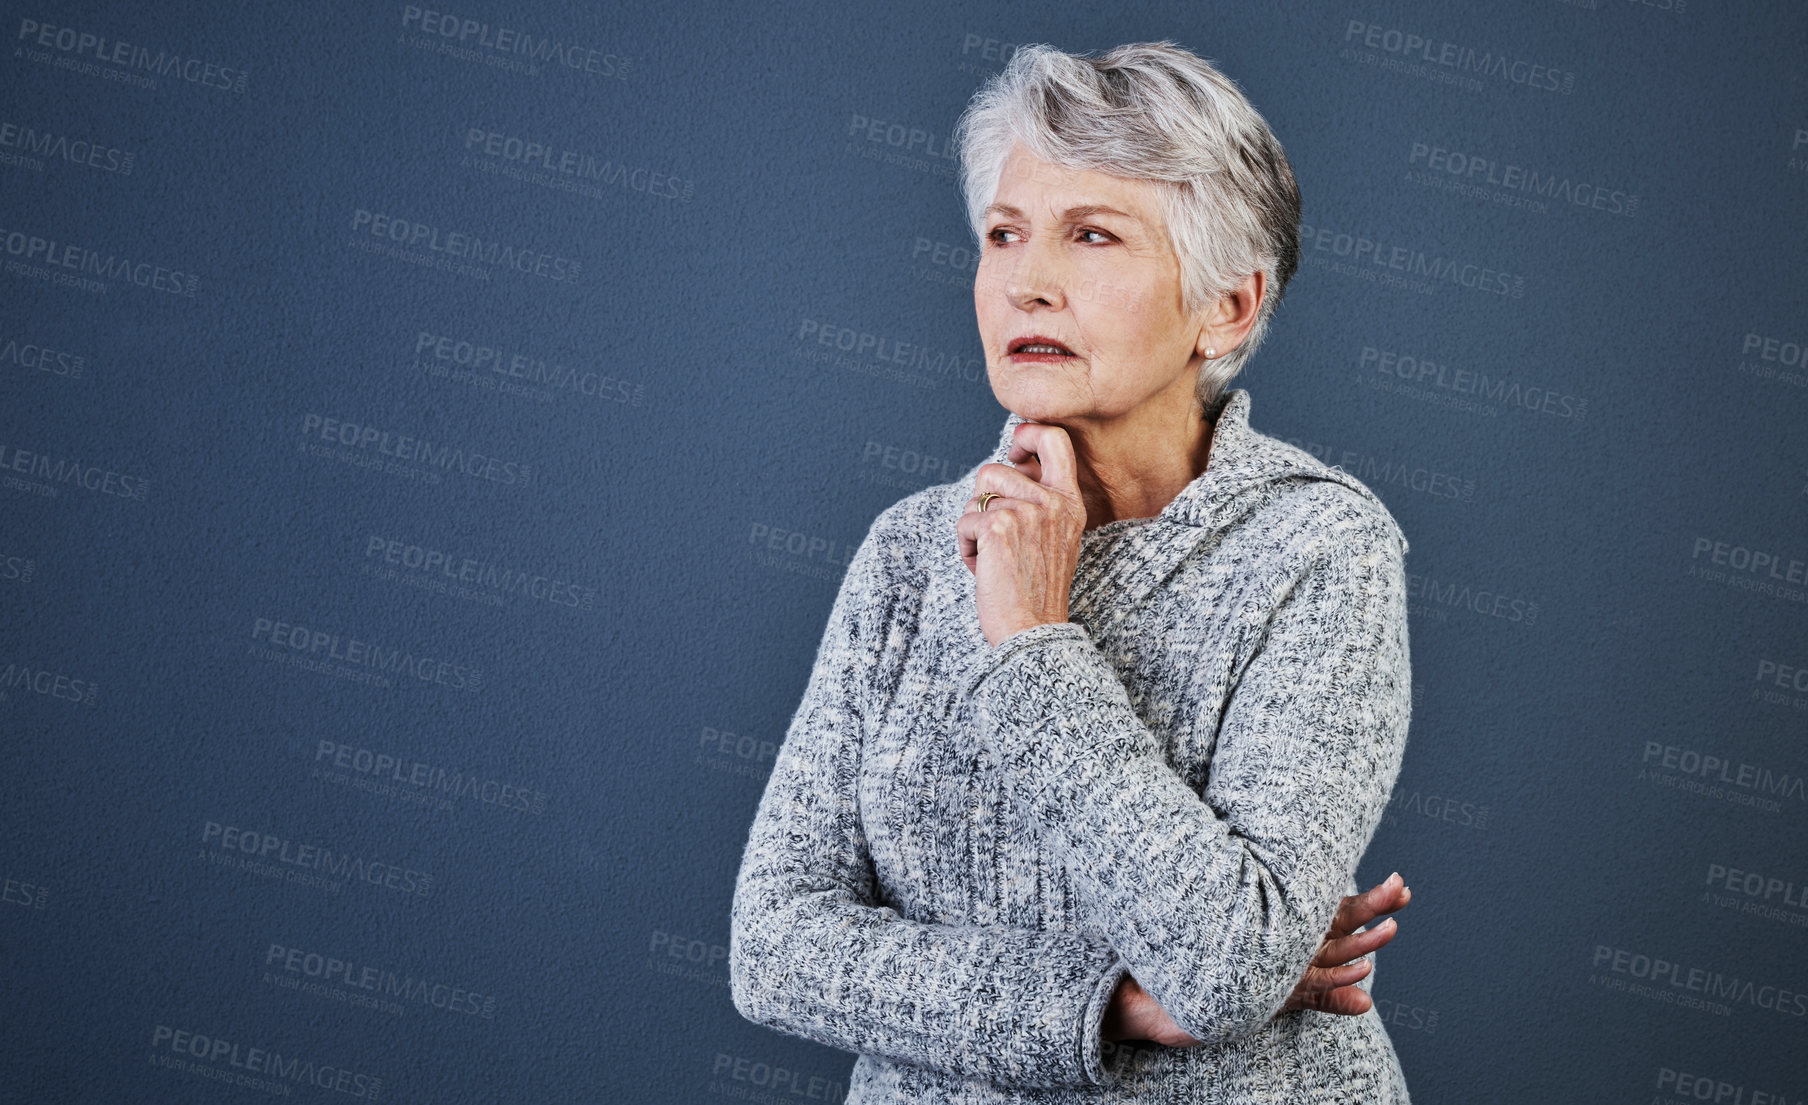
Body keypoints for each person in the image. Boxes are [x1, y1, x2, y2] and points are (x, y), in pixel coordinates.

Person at [731, 40, 1416, 1103]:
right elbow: (773, 947)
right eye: (1003, 234)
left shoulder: (1318, 550)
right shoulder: (911, 550)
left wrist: (1032, 645)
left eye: (1090, 235)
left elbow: (1226, 968)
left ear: (1225, 308)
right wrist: (1106, 1001)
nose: (1026, 281)